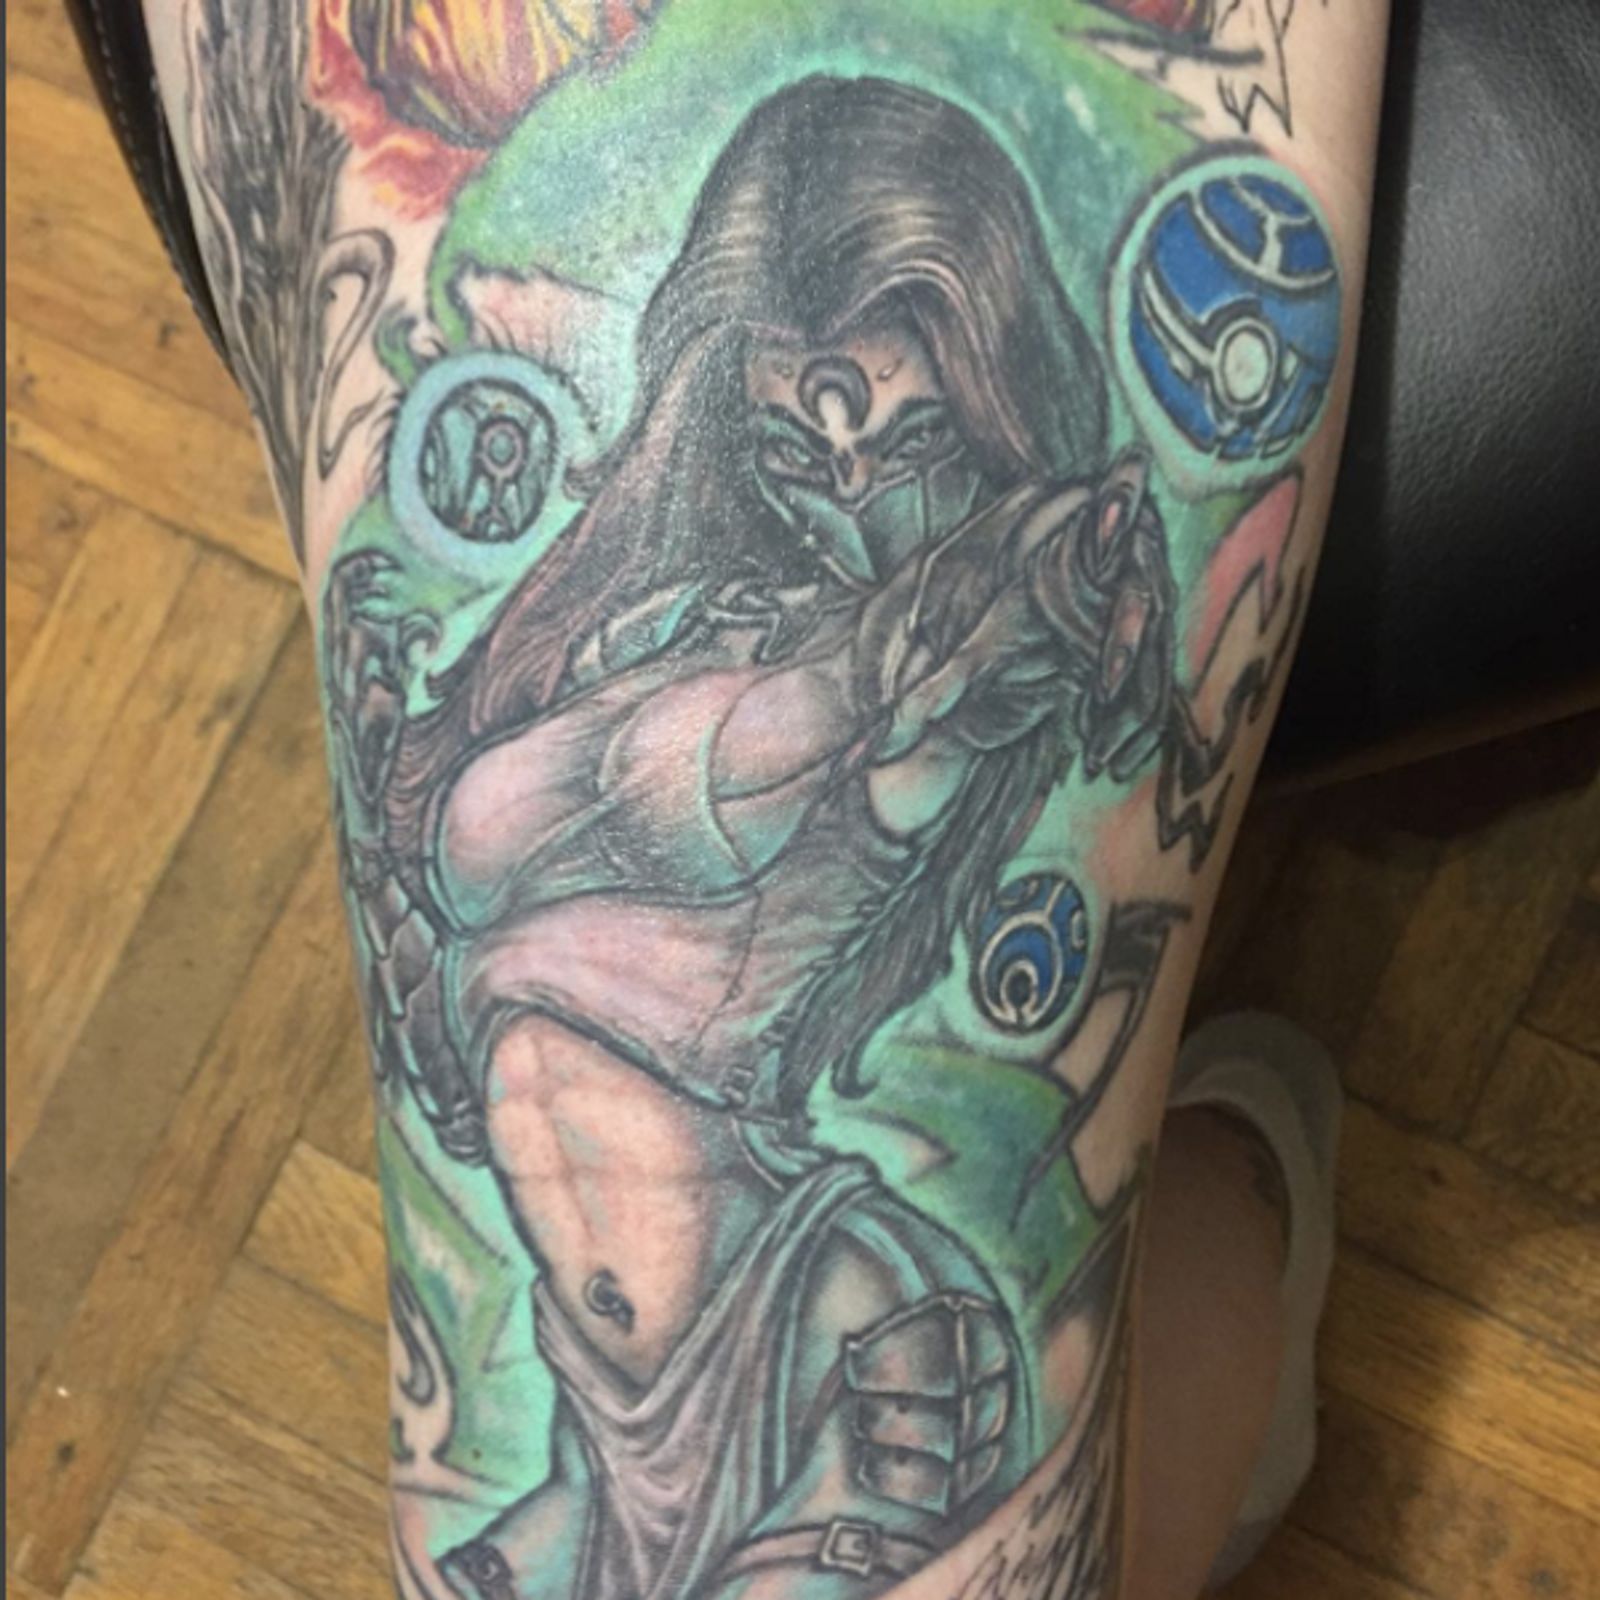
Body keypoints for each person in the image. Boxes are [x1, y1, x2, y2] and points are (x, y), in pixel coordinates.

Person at [140, 3, 1390, 1597]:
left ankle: (1243, 1217)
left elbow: (769, 735)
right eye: (804, 432)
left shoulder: (910, 696)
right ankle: (1244, 1207)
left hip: (818, 1342)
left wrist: (991, 601)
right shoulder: (664, 619)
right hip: (604, 1392)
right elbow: (500, 852)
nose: (849, 486)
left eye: (907, 439)